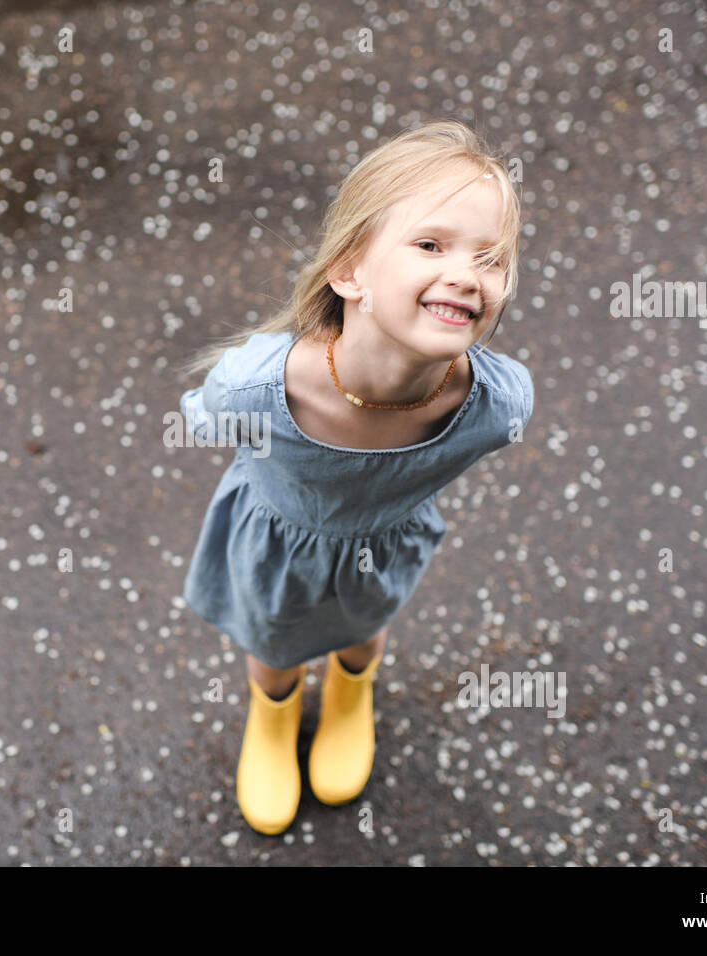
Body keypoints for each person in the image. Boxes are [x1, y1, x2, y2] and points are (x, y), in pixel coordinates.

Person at [175, 120, 534, 835]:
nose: (466, 273)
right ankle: (274, 715)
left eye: (490, 258)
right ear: (349, 272)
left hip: (384, 544)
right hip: (278, 543)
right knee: (272, 645)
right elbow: (205, 419)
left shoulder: (498, 405)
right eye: (431, 244)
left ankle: (351, 688)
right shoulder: (255, 389)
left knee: (366, 624)